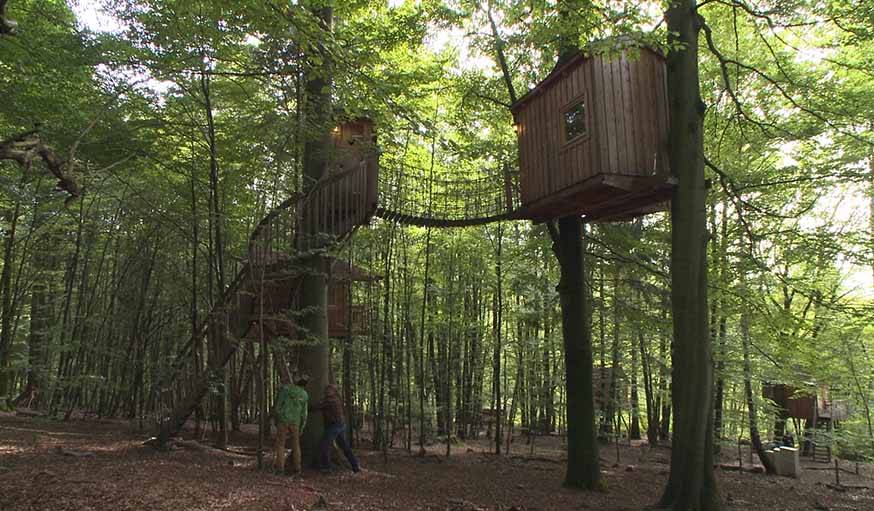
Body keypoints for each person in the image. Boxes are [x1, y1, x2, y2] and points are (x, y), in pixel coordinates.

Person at [315, 384, 360, 473]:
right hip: (340, 425)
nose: (327, 391)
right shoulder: (336, 399)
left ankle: (326, 467)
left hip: (335, 426)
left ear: (334, 392)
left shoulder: (330, 400)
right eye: (327, 390)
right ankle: (355, 465)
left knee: (325, 445)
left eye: (330, 390)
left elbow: (315, 407)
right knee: (344, 446)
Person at [273, 372, 309, 475]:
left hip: (283, 420)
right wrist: (301, 427)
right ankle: (297, 468)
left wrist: (278, 418)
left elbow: (278, 406)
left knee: (280, 444)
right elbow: (304, 414)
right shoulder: (304, 395)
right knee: (296, 445)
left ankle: (280, 469)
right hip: (296, 422)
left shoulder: (286, 390)